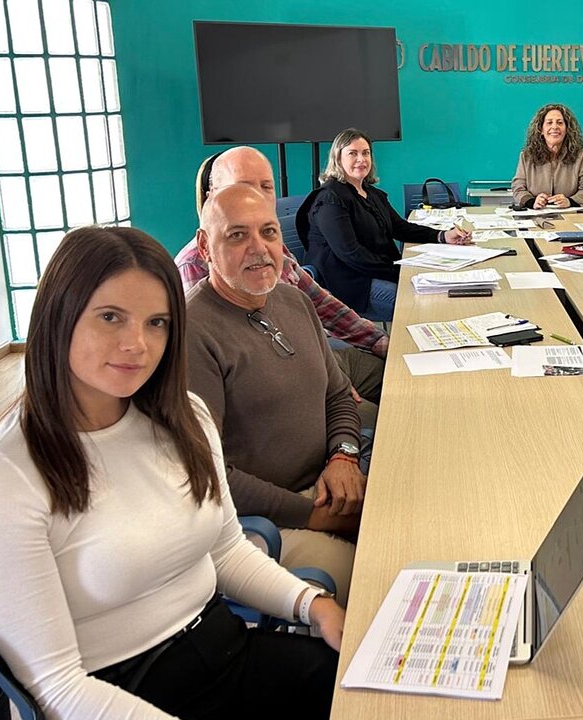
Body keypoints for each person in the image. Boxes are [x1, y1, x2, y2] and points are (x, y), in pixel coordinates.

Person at [0, 226, 343, 719]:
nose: (137, 344)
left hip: (222, 651)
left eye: (157, 323)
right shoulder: (3, 475)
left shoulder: (184, 417)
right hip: (113, 695)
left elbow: (227, 550)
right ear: (58, 316)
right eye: (111, 317)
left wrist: (313, 605)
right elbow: (55, 689)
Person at [187, 184, 366, 602]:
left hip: (327, 481)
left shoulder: (291, 300)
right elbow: (212, 476)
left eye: (268, 232)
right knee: (370, 581)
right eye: (237, 235)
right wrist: (316, 517)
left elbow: (338, 395)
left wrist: (343, 455)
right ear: (204, 246)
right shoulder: (193, 332)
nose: (259, 249)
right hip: (261, 520)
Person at [174, 147, 386, 431]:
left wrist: (376, 339)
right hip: (289, 390)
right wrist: (328, 392)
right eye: (245, 186)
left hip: (320, 358)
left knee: (405, 377)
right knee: (388, 424)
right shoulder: (193, 268)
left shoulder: (272, 248)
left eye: (266, 186)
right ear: (213, 193)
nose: (258, 197)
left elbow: (320, 303)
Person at [298, 128, 472, 321]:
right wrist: (399, 271)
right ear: (338, 159)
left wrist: (443, 235)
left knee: (438, 296)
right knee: (422, 307)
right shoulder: (330, 199)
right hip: (350, 284)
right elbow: (351, 254)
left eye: (366, 153)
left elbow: (400, 227)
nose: (361, 159)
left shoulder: (371, 194)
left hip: (374, 272)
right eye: (352, 153)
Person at [510, 103, 583, 209]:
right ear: (540, 130)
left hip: (570, 215)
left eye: (560, 123)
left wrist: (569, 201)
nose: (554, 127)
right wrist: (532, 202)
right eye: (549, 123)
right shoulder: (526, 156)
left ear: (567, 129)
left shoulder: (580, 156)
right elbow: (518, 187)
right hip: (536, 215)